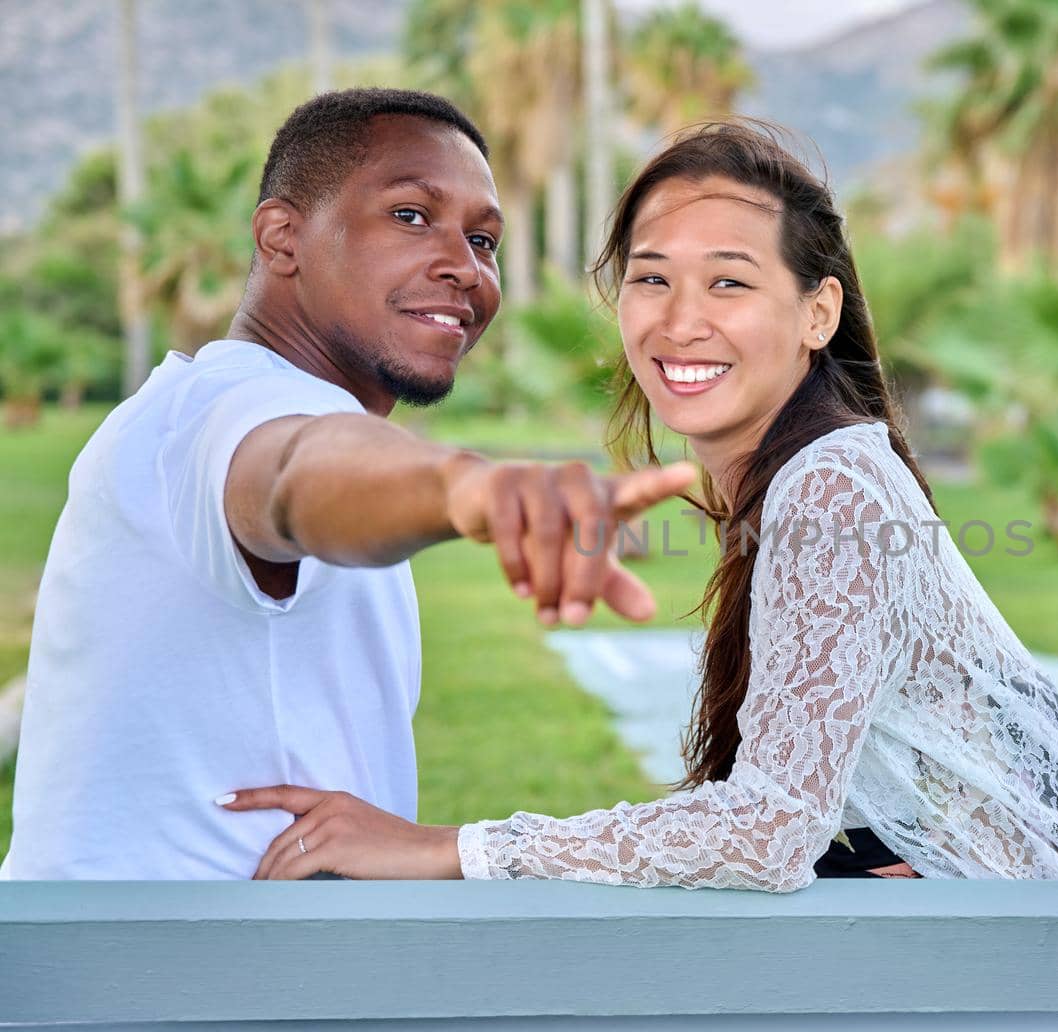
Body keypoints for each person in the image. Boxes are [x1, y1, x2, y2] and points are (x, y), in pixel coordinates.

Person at [222, 121, 1058, 887]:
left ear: (818, 313)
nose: (680, 320)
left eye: (729, 281)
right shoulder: (805, 474)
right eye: (652, 278)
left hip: (1015, 981)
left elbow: (767, 831)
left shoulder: (831, 485)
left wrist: (449, 847)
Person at [0, 89, 691, 880]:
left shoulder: (189, 404)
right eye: (409, 215)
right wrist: (472, 489)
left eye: (483, 238)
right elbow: (296, 470)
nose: (463, 268)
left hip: (173, 978)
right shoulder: (234, 411)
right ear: (282, 237)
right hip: (176, 991)